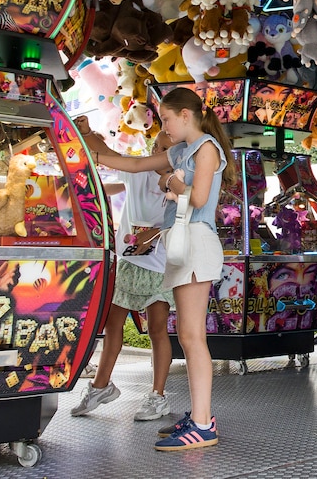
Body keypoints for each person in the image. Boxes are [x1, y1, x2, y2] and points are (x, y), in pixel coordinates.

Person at [94, 88, 236, 451]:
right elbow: (136, 164)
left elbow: (200, 198)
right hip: (182, 244)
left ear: (186, 115)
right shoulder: (182, 151)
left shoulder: (205, 148)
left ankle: (203, 424)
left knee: (191, 337)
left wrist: (172, 182)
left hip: (196, 243)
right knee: (188, 337)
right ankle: (199, 415)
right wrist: (93, 151)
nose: (165, 126)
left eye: (168, 118)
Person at [71, 129, 178, 422]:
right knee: (112, 322)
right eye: (156, 145)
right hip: (130, 262)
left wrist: (154, 232)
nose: (157, 151)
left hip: (160, 264)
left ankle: (158, 396)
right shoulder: (139, 173)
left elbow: (186, 218)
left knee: (157, 328)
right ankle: (100, 385)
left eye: (165, 148)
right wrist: (85, 131)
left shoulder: (182, 182)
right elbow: (111, 155)